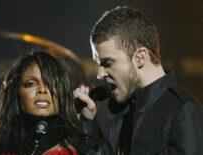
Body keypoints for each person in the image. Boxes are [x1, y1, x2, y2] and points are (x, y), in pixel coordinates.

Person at [73, 6, 203, 155]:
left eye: (107, 63)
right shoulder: (121, 108)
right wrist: (89, 122)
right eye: (99, 64)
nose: (100, 74)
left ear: (140, 57)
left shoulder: (182, 112)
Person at [0, 51, 114, 155]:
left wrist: (88, 123)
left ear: (62, 93)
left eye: (51, 83)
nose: (42, 90)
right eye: (30, 84)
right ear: (16, 92)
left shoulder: (91, 149)